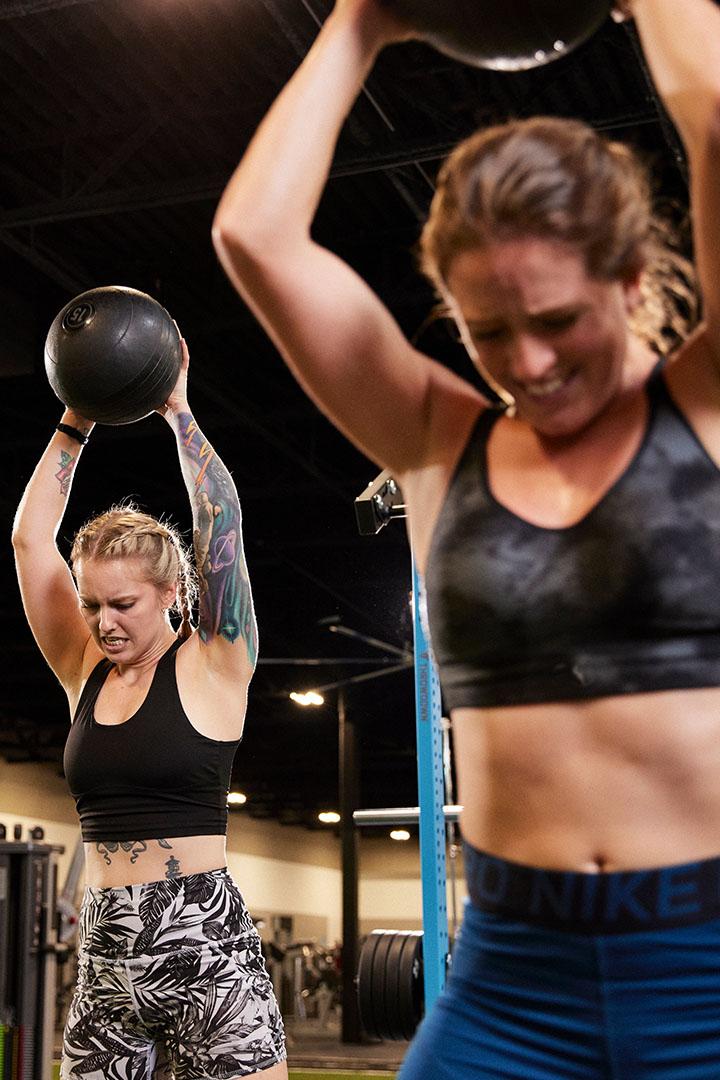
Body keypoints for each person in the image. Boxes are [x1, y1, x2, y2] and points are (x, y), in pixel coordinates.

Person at [211, 0, 720, 1076]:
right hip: (511, 981)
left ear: (632, 281)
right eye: (489, 332)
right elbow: (253, 236)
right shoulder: (440, 440)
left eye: (558, 320)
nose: (527, 364)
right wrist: (361, 21)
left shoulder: (709, 406)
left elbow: (714, 119)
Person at [12, 339, 287, 1080]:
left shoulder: (217, 661)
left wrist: (179, 414)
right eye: (92, 602)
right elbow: (30, 540)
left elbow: (220, 519)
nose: (103, 621)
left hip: (208, 954)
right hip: (106, 956)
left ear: (172, 593)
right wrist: (77, 417)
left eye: (124, 603)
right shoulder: (84, 671)